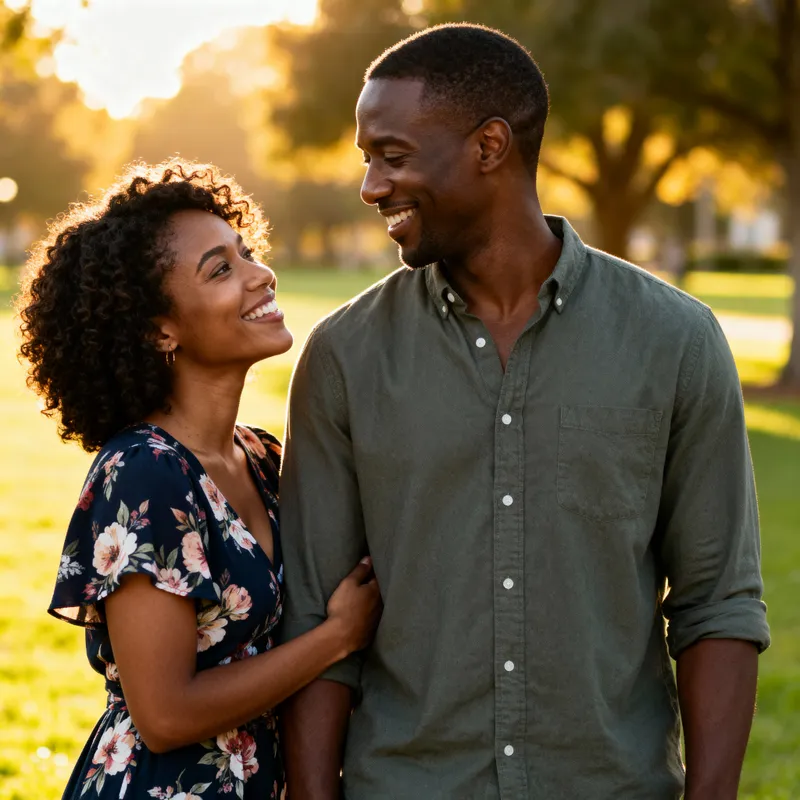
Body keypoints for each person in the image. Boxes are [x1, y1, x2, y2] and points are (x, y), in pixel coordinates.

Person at [278, 23, 770, 800]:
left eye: (393, 155)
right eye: (367, 159)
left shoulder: (675, 341)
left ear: (490, 146)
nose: (372, 186)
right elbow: (314, 622)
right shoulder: (345, 356)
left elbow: (718, 604)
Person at [16, 161, 382, 800]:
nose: (259, 275)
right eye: (220, 270)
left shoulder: (262, 457)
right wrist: (337, 638)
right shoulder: (145, 473)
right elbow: (165, 716)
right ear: (160, 330)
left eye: (246, 254)